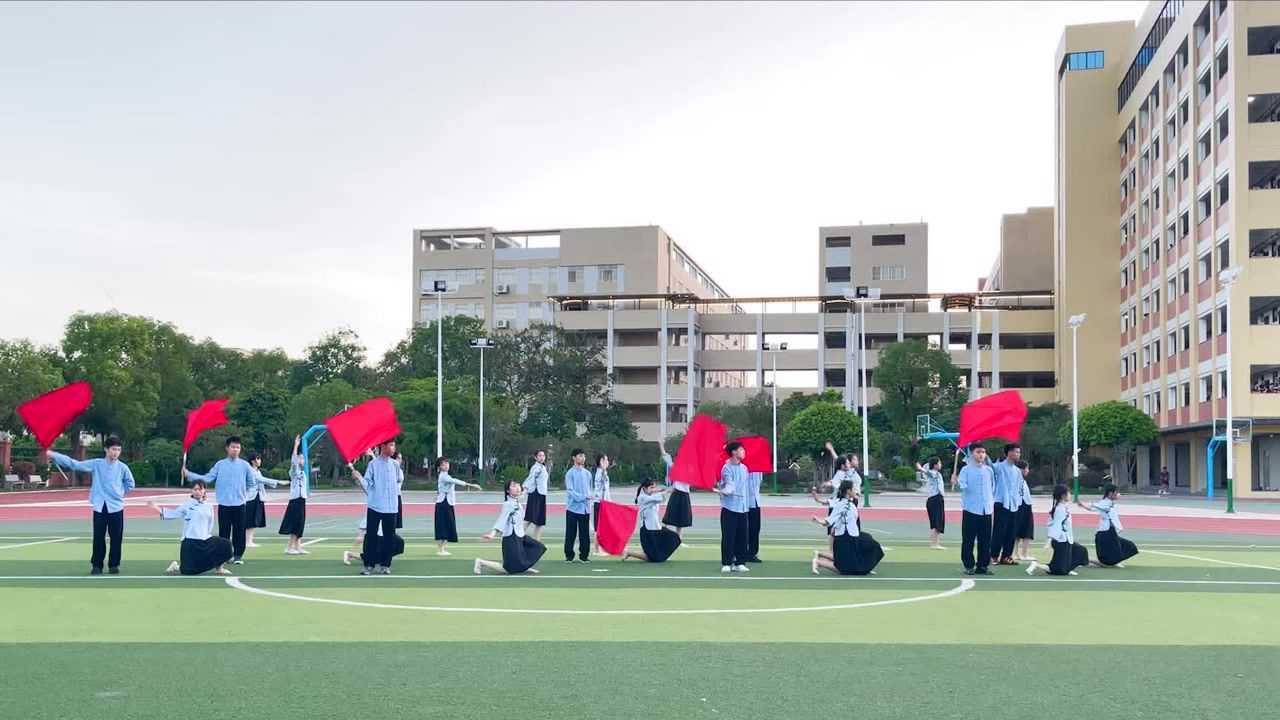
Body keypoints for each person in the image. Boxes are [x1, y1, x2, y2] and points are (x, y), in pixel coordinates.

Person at [47, 435, 134, 575]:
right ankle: (97, 565)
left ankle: (114, 565)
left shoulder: (123, 468)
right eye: (113, 449)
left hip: (116, 507)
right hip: (100, 506)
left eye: (118, 449)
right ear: (106, 449)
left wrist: (120, 492)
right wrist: (54, 455)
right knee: (98, 537)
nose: (116, 452)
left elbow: (130, 483)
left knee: (116, 538)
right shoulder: (97, 464)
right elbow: (75, 464)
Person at [183, 436, 255, 565]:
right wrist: (189, 474)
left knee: (239, 530)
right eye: (233, 447)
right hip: (224, 504)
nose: (235, 450)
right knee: (224, 532)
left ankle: (238, 555)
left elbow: (251, 483)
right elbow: (207, 478)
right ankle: (225, 555)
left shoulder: (245, 466)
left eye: (238, 447)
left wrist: (246, 496)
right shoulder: (220, 465)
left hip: (240, 504)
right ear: (227, 448)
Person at [150, 480, 233, 576]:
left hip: (205, 539)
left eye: (200, 489)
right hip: (190, 541)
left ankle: (219, 568)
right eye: (195, 489)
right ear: (192, 491)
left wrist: (207, 536)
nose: (197, 491)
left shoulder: (208, 506)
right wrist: (154, 507)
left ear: (204, 490)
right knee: (187, 571)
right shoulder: (187, 505)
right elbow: (172, 514)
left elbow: (209, 523)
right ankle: (176, 566)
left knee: (225, 544)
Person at [810, 479, 884, 576]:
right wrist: (818, 520)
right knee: (845, 569)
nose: (855, 491)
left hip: (854, 536)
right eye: (853, 489)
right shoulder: (839, 504)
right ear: (848, 491)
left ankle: (865, 568)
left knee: (874, 546)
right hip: (843, 538)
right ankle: (819, 562)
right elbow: (828, 521)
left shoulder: (852, 503)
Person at [349, 440, 401, 575]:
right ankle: (368, 565)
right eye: (390, 445)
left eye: (394, 445)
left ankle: (385, 565)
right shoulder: (373, 465)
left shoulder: (395, 465)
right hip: (376, 505)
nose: (393, 448)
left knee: (389, 537)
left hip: (391, 507)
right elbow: (367, 484)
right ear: (382, 447)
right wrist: (358, 477)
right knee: (371, 536)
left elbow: (397, 482)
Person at [475, 480, 545, 575]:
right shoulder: (508, 504)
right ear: (508, 491)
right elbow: (501, 520)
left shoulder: (517, 503)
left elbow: (525, 492)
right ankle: (481, 562)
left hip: (520, 536)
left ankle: (524, 567)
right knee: (509, 569)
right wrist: (492, 534)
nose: (517, 488)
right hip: (511, 538)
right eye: (514, 486)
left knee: (538, 547)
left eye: (518, 485)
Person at [1026, 484, 1089, 576]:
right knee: (1058, 569)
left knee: (1080, 551)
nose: (1070, 494)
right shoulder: (1060, 509)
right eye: (1069, 493)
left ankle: (1067, 568)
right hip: (1061, 540)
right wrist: (1049, 540)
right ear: (1063, 496)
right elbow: (1056, 526)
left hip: (1066, 539)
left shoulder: (1063, 507)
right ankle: (1036, 565)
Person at [953, 444, 995, 576]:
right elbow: (963, 487)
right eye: (978, 452)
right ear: (972, 454)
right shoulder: (966, 470)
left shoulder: (989, 470)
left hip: (986, 510)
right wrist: (956, 481)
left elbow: (992, 487)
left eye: (983, 452)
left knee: (985, 540)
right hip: (971, 509)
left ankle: (983, 566)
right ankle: (969, 565)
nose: (981, 454)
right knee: (968, 539)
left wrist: (989, 502)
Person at [1079, 483, 1139, 568]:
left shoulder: (1109, 503)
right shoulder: (1105, 503)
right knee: (1108, 559)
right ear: (1110, 493)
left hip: (1111, 532)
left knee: (1130, 547)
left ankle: (1110, 562)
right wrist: (1085, 505)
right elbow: (1095, 507)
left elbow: (1096, 508)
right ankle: (1088, 560)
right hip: (1104, 534)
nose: (1118, 494)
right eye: (1116, 492)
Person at [622, 479, 682, 563]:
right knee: (653, 558)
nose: (653, 489)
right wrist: (667, 491)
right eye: (651, 487)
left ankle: (660, 555)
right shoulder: (642, 498)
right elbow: (656, 498)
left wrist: (663, 490)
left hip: (656, 529)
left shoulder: (651, 495)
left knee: (675, 538)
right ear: (644, 489)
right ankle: (629, 552)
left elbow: (657, 497)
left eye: (654, 487)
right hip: (648, 531)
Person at [714, 441, 750, 573]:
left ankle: (740, 562)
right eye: (741, 450)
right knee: (729, 536)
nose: (743, 452)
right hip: (730, 508)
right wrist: (723, 491)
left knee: (742, 536)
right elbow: (730, 485)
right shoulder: (727, 468)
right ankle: (727, 563)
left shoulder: (744, 468)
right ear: (734, 452)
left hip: (743, 507)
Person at [434, 456, 481, 556]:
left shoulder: (446, 475)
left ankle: (442, 548)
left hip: (447, 503)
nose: (446, 465)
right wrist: (472, 485)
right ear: (439, 467)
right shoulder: (443, 476)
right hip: (443, 503)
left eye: (447, 463)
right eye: (443, 464)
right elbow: (455, 481)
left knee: (448, 525)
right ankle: (440, 549)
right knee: (443, 526)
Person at [990, 443, 1023, 566]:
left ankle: (1007, 556)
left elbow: (1019, 488)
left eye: (1019, 452)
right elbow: (988, 466)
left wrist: (1018, 502)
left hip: (1014, 505)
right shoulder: (998, 467)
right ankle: (993, 556)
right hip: (1001, 502)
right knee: (999, 530)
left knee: (1011, 531)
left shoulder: (1017, 471)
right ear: (1009, 453)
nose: (1018, 454)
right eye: (1016, 452)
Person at [244, 451, 282, 549]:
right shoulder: (250, 471)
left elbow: (262, 482)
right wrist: (278, 482)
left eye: (259, 458)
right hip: (250, 498)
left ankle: (250, 540)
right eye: (258, 458)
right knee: (249, 520)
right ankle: (247, 541)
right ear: (253, 461)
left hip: (258, 497)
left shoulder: (258, 471)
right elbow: (262, 480)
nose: (260, 460)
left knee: (255, 520)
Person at [278, 435, 309, 555]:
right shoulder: (294, 472)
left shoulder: (303, 473)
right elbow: (294, 461)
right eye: (300, 458)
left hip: (302, 500)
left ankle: (298, 546)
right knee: (295, 523)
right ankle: (290, 547)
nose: (302, 460)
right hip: (295, 500)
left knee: (300, 523)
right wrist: (296, 446)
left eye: (303, 458)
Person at [659, 441, 693, 543]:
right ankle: (662, 538)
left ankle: (679, 541)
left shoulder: (690, 469)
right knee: (668, 518)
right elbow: (665, 457)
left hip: (685, 495)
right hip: (676, 494)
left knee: (681, 521)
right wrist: (660, 444)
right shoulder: (675, 467)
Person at [563, 448, 592, 563]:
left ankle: (584, 555)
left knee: (584, 534)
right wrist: (584, 497)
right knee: (571, 533)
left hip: (585, 509)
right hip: (573, 508)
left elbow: (589, 489)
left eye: (584, 456)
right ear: (574, 458)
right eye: (580, 456)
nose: (583, 458)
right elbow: (570, 491)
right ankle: (569, 555)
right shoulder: (570, 473)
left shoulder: (588, 473)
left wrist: (589, 497)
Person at [917, 456, 946, 550]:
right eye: (939, 463)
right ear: (935, 465)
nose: (941, 465)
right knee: (936, 522)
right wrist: (921, 469)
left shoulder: (938, 474)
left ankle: (935, 543)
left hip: (938, 499)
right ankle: (934, 544)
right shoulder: (933, 473)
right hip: (935, 499)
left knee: (938, 522)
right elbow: (929, 473)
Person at [521, 450, 550, 540]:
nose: (542, 457)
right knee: (529, 519)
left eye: (543, 455)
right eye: (540, 456)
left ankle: (536, 542)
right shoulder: (535, 467)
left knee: (539, 522)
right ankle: (517, 537)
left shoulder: (543, 467)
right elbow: (530, 479)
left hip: (541, 495)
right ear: (535, 457)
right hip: (535, 495)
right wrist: (524, 491)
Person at [1013, 460, 1035, 562]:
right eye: (1026, 468)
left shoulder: (1024, 481)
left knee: (1027, 531)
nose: (1027, 470)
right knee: (1016, 532)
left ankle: (1024, 554)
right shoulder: (1014, 480)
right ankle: (1014, 553)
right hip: (1018, 506)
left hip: (1026, 506)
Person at [591, 453, 612, 557]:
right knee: (599, 528)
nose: (608, 462)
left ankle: (599, 548)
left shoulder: (603, 472)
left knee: (601, 527)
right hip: (600, 503)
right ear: (601, 462)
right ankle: (597, 549)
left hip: (603, 503)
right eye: (606, 460)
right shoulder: (601, 472)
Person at [745, 470, 764, 563]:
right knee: (742, 529)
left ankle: (752, 553)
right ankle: (738, 552)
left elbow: (759, 483)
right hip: (743, 501)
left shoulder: (758, 469)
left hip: (755, 500)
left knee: (755, 528)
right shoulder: (741, 467)